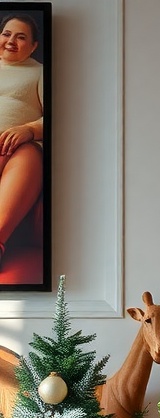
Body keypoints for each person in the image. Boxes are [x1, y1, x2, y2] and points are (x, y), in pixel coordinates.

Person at [0, 12, 43, 267]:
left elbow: (60, 117)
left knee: (29, 155)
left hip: (17, 151)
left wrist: (28, 129)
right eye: (6, 34)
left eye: (21, 37)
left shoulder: (38, 73)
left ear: (34, 46)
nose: (11, 41)